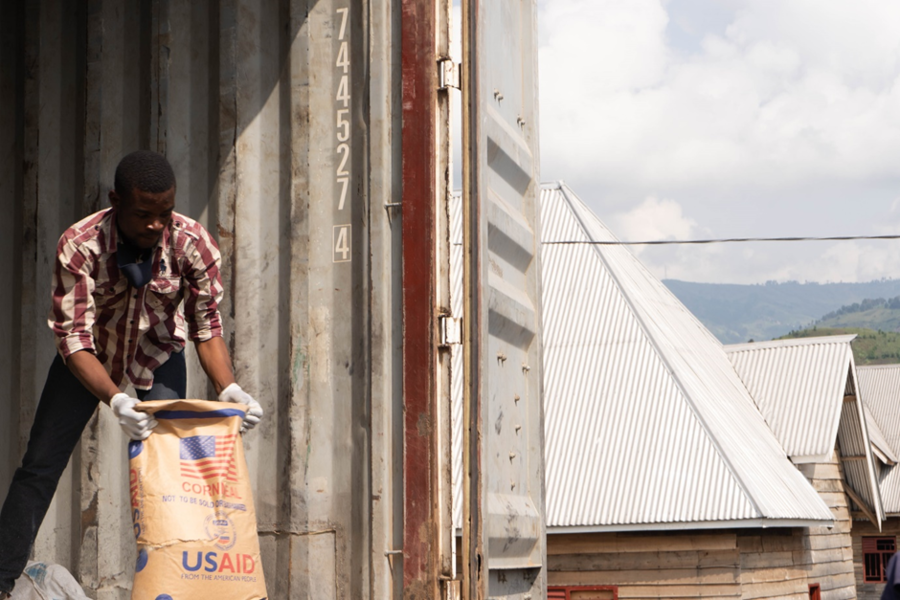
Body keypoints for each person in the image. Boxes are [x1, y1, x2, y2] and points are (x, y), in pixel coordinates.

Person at [0, 150, 263, 599]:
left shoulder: (193, 243)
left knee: (171, 479)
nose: (156, 225)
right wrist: (116, 399)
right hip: (91, 358)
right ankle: (2, 582)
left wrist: (230, 387)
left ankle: (177, 588)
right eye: (143, 214)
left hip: (157, 352)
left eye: (164, 213)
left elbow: (206, 325)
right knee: (40, 465)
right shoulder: (80, 245)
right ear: (116, 201)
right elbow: (73, 338)